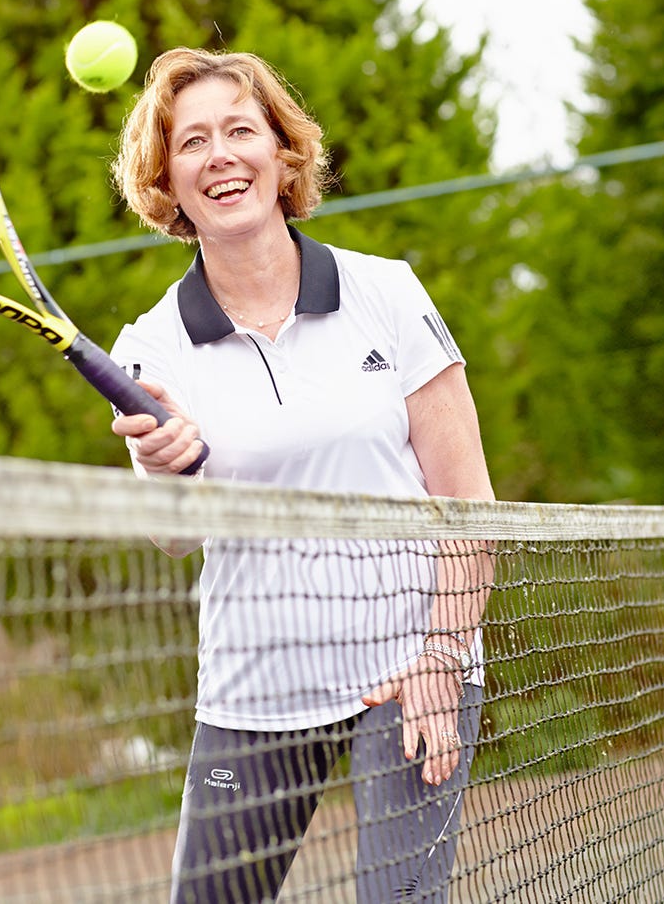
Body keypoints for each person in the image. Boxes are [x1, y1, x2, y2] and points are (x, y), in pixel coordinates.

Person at [108, 48, 496, 903]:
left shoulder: (386, 294)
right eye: (192, 141)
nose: (221, 156)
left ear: (283, 155)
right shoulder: (150, 346)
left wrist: (440, 655)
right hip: (257, 688)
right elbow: (172, 535)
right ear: (166, 182)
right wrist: (157, 465)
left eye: (241, 130)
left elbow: (467, 504)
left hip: (410, 670)